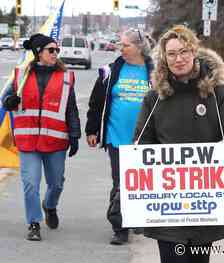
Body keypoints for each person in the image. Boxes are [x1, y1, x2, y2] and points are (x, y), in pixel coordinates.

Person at [134, 25, 224, 263]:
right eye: (171, 54)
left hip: (206, 203)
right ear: (164, 58)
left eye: (184, 52)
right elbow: (141, 146)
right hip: (167, 205)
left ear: (194, 52)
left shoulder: (216, 92)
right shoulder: (154, 98)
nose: (178, 59)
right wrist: (123, 195)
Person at [1, 33, 81, 241]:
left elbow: (71, 109)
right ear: (38, 53)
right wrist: (10, 101)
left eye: (57, 50)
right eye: (51, 50)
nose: (55, 54)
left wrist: (74, 135)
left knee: (56, 184)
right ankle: (34, 223)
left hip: (55, 141)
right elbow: (6, 100)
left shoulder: (66, 77)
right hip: (28, 141)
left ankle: (50, 205)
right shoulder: (21, 75)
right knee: (30, 184)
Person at [85, 28, 153, 245]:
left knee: (142, 183)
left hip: (146, 140)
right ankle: (119, 226)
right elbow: (96, 103)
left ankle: (137, 218)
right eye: (120, 44)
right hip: (117, 136)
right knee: (120, 182)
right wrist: (92, 130)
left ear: (139, 47)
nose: (120, 48)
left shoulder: (155, 71)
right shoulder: (111, 70)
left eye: (126, 45)